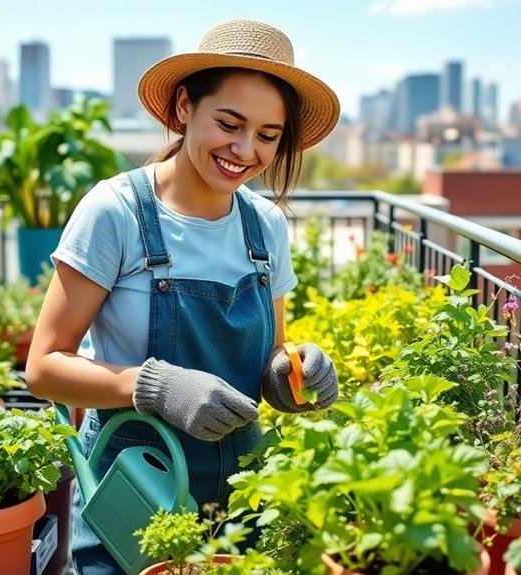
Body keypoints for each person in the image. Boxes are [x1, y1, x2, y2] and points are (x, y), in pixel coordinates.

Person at [25, 18, 341, 574]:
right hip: (134, 485)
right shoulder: (115, 211)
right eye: (229, 123)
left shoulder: (265, 225)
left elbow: (270, 358)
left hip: (243, 495)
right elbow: (44, 368)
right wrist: (152, 386)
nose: (245, 150)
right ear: (182, 108)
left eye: (268, 136)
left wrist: (295, 373)